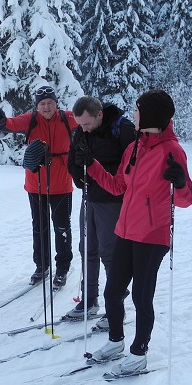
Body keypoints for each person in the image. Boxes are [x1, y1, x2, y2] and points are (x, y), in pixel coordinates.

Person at [75, 89, 192, 375]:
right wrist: (91, 165)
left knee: (141, 297)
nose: (134, 115)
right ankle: (116, 341)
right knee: (113, 291)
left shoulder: (172, 151)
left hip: (153, 236)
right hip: (126, 230)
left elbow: (185, 199)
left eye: (138, 110)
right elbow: (119, 186)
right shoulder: (135, 147)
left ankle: (139, 354)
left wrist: (179, 182)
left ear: (150, 115)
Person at [0, 85, 78, 289]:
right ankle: (42, 266)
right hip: (36, 183)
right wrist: (1, 120)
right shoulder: (31, 119)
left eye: (50, 103)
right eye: (42, 104)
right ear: (37, 106)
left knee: (62, 228)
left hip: (62, 183)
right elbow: (10, 124)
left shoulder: (67, 117)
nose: (46, 107)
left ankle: (63, 268)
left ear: (57, 103)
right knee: (39, 227)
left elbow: (88, 116)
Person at [66, 97, 136, 320]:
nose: (83, 128)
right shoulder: (81, 130)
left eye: (86, 124)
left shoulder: (122, 129)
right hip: (90, 197)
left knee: (110, 253)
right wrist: (78, 173)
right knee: (87, 249)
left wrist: (95, 165)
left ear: (99, 114)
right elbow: (72, 156)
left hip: (114, 201)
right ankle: (89, 299)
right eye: (80, 124)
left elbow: (132, 166)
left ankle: (115, 307)